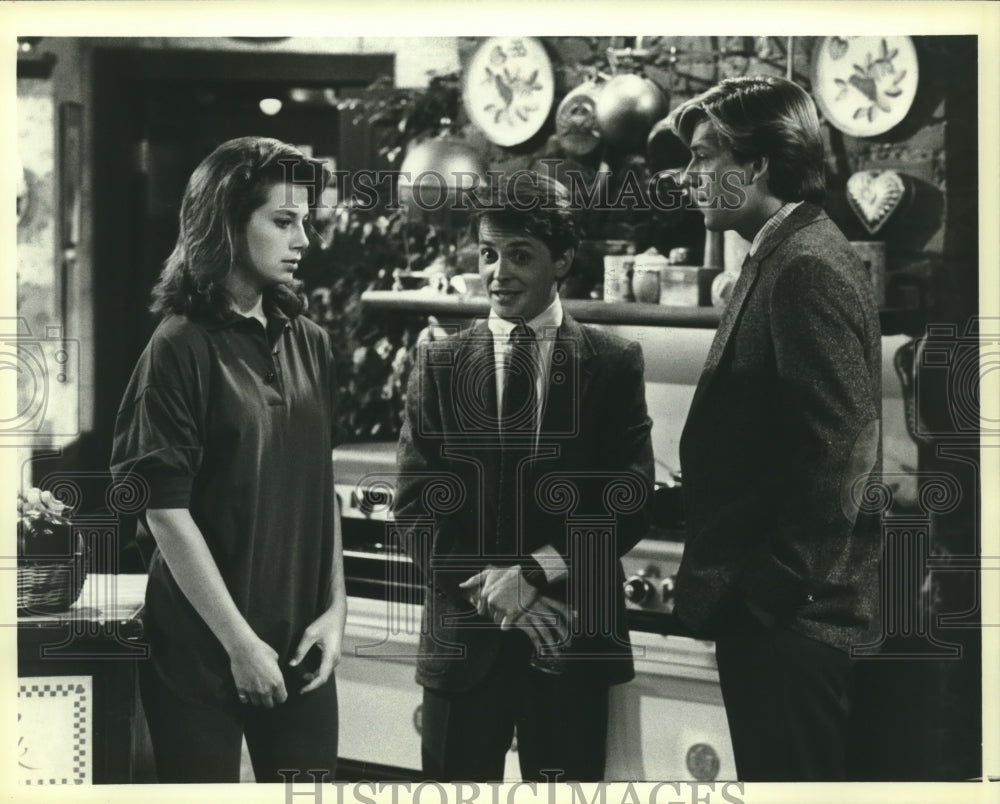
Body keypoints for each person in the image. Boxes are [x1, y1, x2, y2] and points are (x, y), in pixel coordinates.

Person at [394, 172, 655, 782]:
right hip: (463, 641)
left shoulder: (613, 363)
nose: (497, 272)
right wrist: (494, 591)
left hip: (566, 638)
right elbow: (415, 511)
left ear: (562, 259)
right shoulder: (439, 362)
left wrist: (532, 573)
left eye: (519, 255)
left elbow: (629, 500)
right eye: (488, 254)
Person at [664, 76, 883, 781]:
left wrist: (767, 594)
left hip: (794, 626)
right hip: (786, 620)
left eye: (702, 157)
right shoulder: (785, 251)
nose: (688, 176)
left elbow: (843, 451)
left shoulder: (804, 267)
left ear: (755, 166)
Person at [110, 137, 345, 783]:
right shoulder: (179, 347)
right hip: (201, 654)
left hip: (300, 648)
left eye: (307, 221)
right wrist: (240, 646)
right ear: (225, 224)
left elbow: (317, 488)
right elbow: (164, 512)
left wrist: (335, 613)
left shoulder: (311, 342)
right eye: (283, 221)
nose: (304, 239)